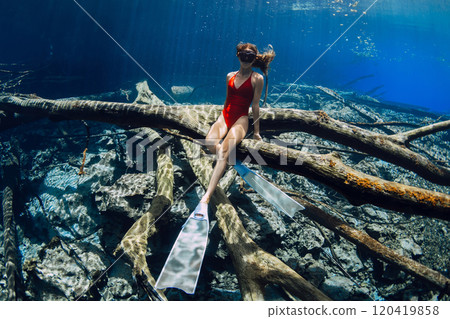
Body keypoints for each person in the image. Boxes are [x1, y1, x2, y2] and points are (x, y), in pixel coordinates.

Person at [200, 42, 275, 204]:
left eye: (250, 56)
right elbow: (228, 100)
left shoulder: (257, 78)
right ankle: (230, 159)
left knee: (222, 152)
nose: (246, 59)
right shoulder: (230, 76)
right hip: (225, 115)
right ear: (238, 56)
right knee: (209, 142)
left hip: (241, 118)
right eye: (243, 55)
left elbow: (255, 105)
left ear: (254, 58)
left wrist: (256, 132)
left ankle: (207, 196)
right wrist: (221, 120)